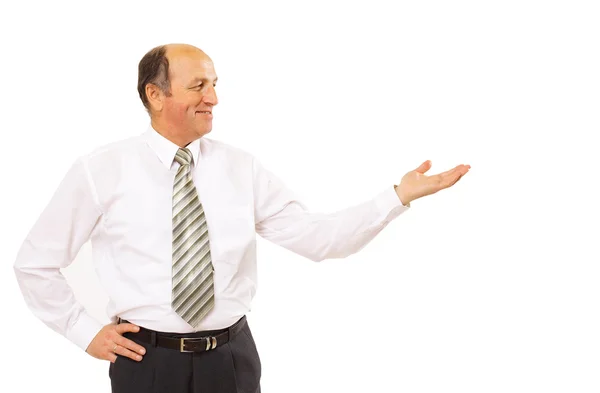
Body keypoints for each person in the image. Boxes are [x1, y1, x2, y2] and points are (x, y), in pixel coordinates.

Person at [13, 43, 470, 393]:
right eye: (198, 86)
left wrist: (396, 197)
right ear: (155, 94)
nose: (213, 97)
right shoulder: (100, 170)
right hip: (147, 363)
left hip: (231, 360)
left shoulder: (241, 168)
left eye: (214, 84)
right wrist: (84, 332)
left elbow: (318, 239)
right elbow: (35, 263)